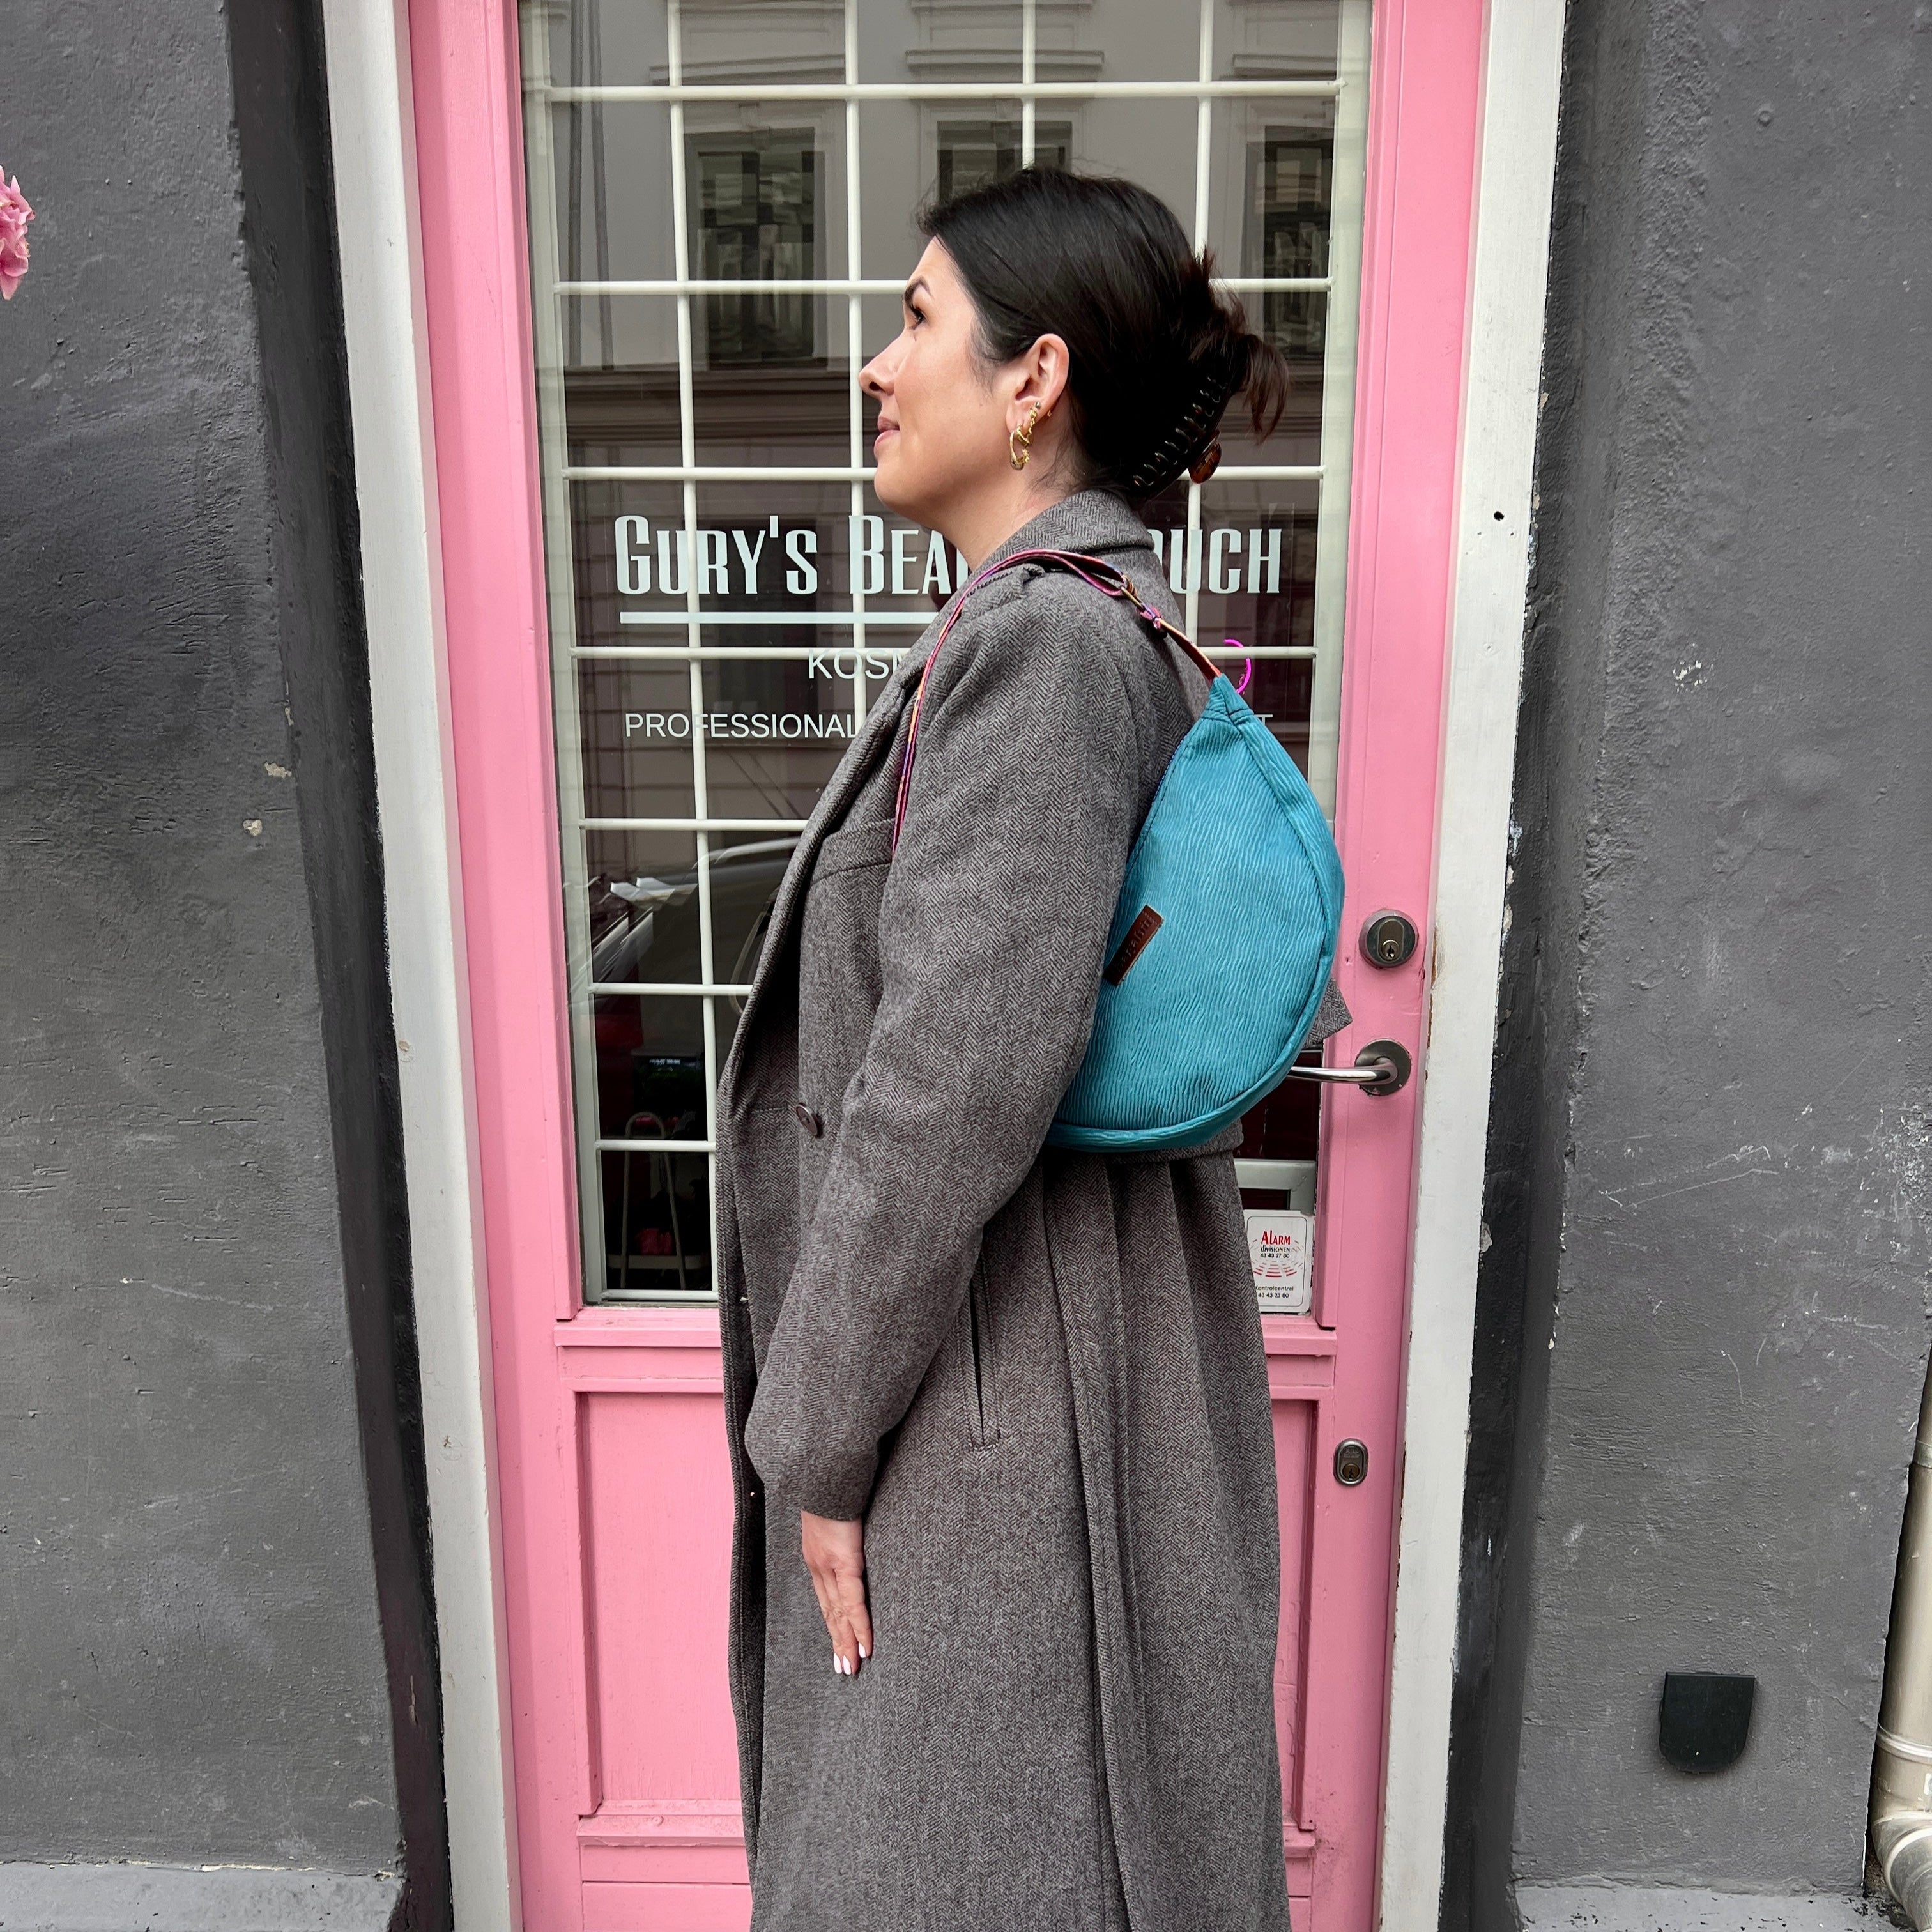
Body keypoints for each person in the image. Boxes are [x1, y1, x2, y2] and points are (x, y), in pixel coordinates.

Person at [716, 165, 1317, 1931]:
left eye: (915, 320)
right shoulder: (1063, 624)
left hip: (997, 1408)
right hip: (1013, 1370)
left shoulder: (1046, 643)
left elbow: (946, 1092)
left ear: (1032, 375)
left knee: (972, 1866)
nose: (876, 368)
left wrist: (817, 1443)